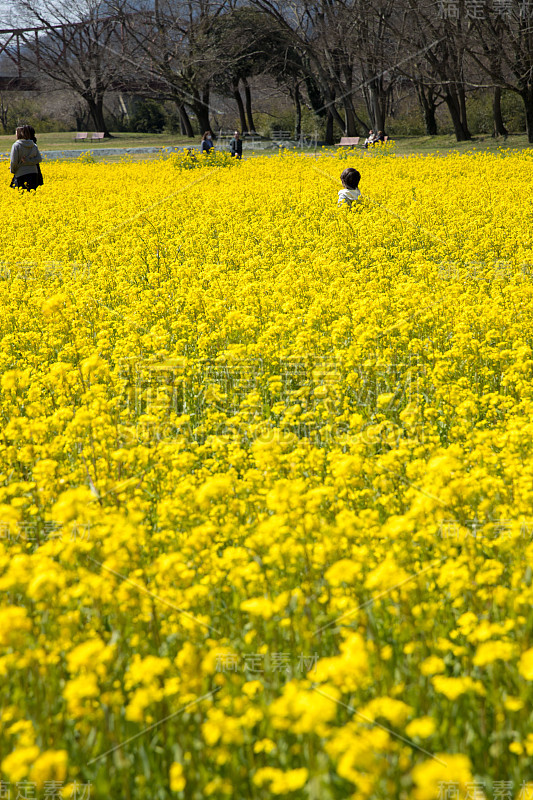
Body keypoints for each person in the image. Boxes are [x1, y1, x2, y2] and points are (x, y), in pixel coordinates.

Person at [10, 125, 42, 191]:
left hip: (21, 174)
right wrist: (28, 160)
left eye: (16, 133)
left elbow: (14, 161)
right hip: (34, 173)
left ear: (19, 134)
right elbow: (39, 159)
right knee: (32, 194)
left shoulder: (16, 145)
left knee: (21, 194)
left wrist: (13, 170)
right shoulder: (33, 145)